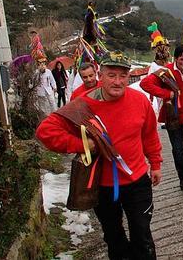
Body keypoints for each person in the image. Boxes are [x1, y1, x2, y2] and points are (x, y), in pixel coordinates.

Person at [36, 51, 162, 260]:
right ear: (100, 76)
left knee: (142, 236)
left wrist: (155, 163)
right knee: (114, 237)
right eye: (112, 75)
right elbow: (45, 132)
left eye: (123, 76)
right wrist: (84, 144)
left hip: (137, 180)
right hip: (102, 186)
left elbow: (149, 134)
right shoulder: (83, 104)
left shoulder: (139, 101)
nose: (118, 81)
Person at [140, 45, 183, 193]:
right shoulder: (166, 71)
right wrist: (167, 94)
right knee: (178, 150)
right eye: (182, 59)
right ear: (175, 59)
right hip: (173, 116)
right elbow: (145, 84)